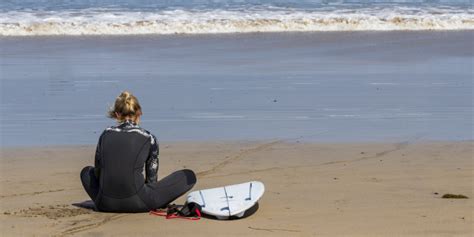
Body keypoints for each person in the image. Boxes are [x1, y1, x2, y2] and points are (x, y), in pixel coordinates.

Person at [80, 91, 196, 212]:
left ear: (117, 114)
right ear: (139, 113)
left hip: (104, 203)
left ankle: (111, 198)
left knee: (86, 172)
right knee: (188, 176)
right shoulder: (149, 137)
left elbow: (98, 173)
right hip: (140, 203)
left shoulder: (105, 134)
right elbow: (151, 180)